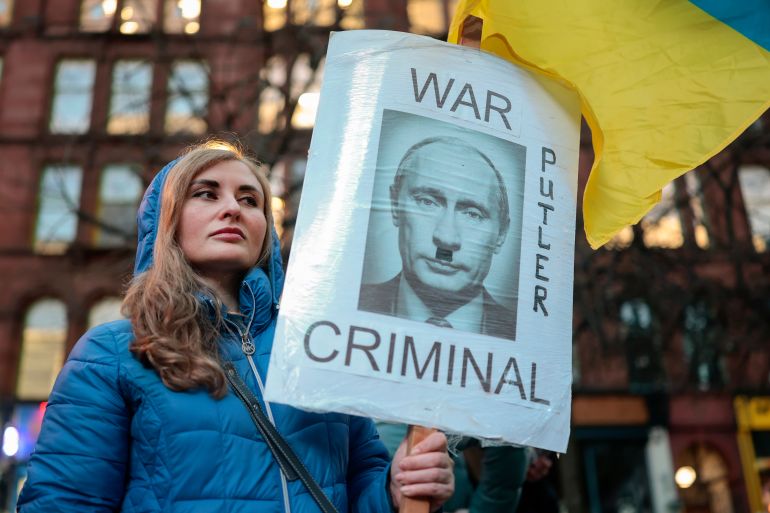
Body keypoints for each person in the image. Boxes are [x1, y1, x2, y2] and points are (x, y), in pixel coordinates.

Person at [17, 142, 454, 512]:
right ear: (167, 221)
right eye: (207, 194)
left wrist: (394, 490)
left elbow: (360, 482)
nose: (233, 208)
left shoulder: (320, 347)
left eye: (250, 200)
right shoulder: (111, 354)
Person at [359, 136, 515, 340]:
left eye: (472, 214)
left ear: (501, 234)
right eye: (427, 202)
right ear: (395, 205)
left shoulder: (529, 338)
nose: (447, 238)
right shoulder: (343, 303)